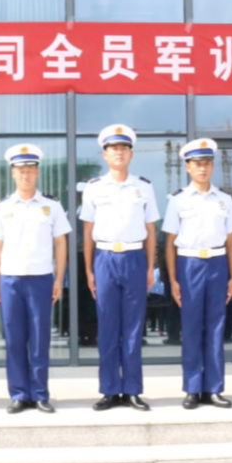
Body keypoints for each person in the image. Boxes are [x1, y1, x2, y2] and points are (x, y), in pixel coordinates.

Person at [0, 144, 71, 414]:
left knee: (40, 338)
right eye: (21, 170)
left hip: (41, 279)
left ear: (38, 172)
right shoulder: (2, 207)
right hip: (10, 279)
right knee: (14, 339)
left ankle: (40, 394)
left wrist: (59, 279)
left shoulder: (51, 206)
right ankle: (19, 394)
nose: (26, 174)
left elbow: (61, 243)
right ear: (13, 173)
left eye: (31, 169)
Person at [80, 124, 160, 412]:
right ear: (105, 154)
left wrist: (150, 267)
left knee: (134, 327)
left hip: (134, 257)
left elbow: (150, 231)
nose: (119, 153)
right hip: (104, 258)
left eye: (124, 148)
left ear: (131, 154)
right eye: (113, 149)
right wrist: (89, 271)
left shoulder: (144, 187)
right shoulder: (94, 188)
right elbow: (87, 232)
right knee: (107, 327)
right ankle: (110, 389)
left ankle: (133, 390)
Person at [162, 138, 232, 409]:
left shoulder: (224, 200)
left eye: (206, 163)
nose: (202, 168)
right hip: (189, 263)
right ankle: (193, 388)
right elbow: (170, 243)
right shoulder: (178, 200)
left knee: (216, 327)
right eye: (197, 164)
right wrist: (173, 279)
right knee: (192, 327)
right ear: (187, 167)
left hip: (217, 262)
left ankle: (214, 388)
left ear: (213, 166)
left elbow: (231, 241)